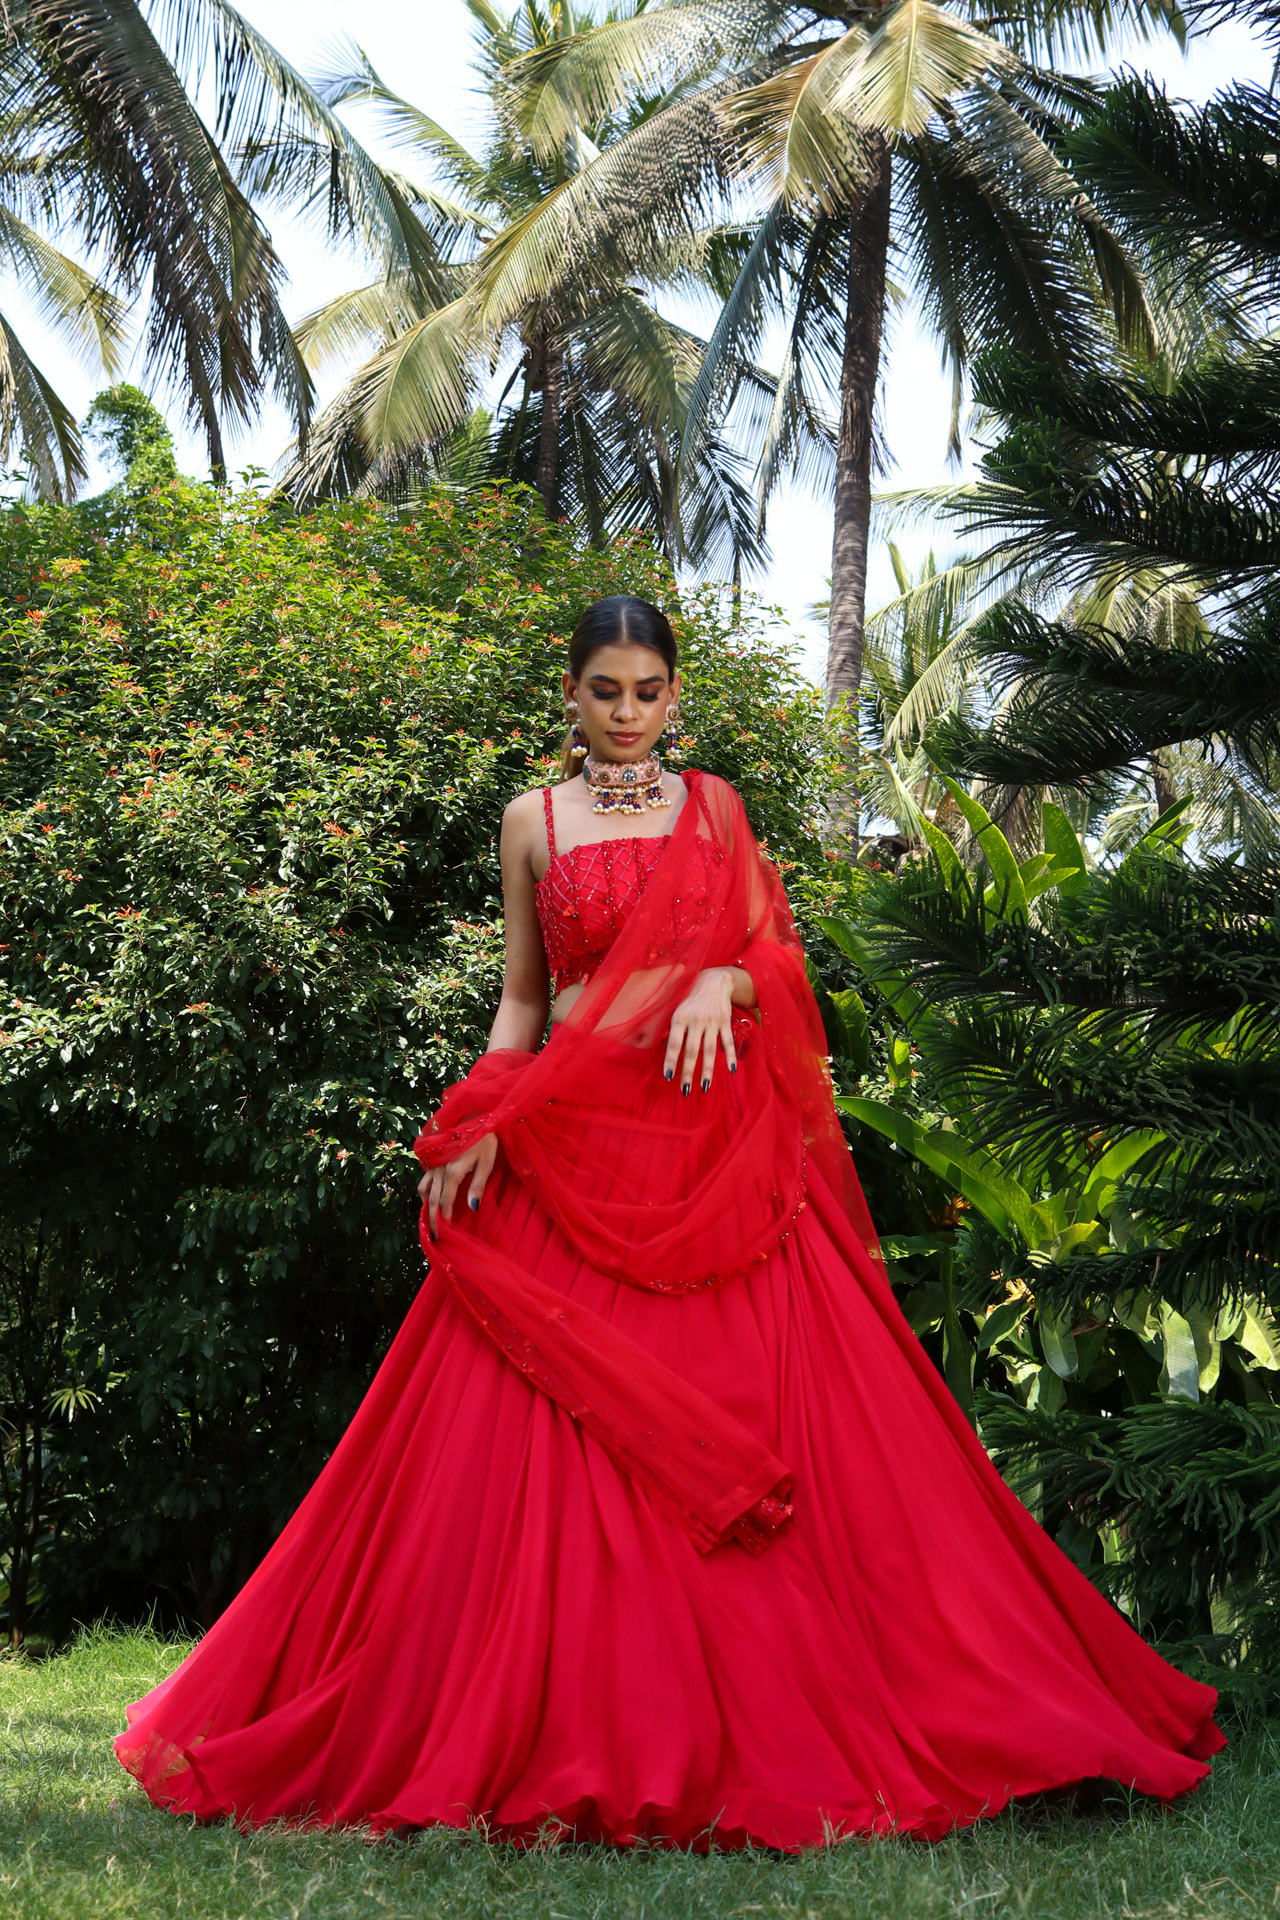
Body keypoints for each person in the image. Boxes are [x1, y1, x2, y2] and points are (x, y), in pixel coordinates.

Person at [115, 593, 1222, 1849]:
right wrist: (477, 1118)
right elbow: (522, 1004)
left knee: (800, 1422)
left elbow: (783, 959)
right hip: (568, 1150)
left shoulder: (719, 813)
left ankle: (871, 1700)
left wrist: (721, 972)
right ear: (570, 694)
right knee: (520, 1439)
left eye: (648, 691)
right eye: (605, 691)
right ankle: (579, 1720)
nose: (629, 714)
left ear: (673, 694)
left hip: (715, 1158)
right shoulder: (529, 821)